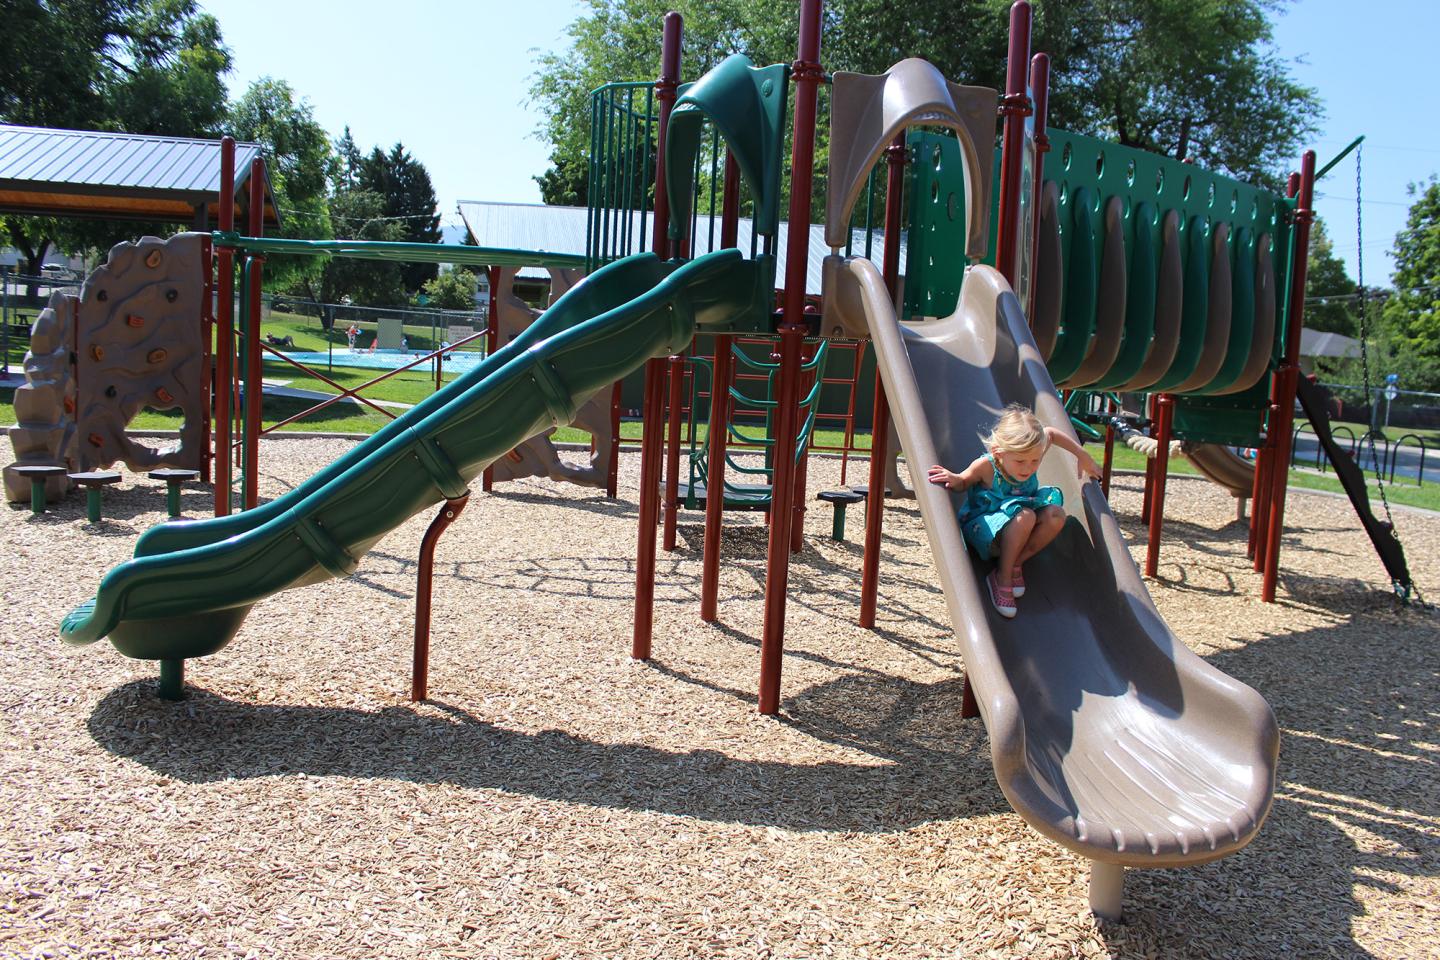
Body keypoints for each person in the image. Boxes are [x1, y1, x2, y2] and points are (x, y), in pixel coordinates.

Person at [926, 404, 1102, 618]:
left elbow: (1052, 434)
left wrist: (1082, 456)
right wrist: (954, 478)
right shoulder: (986, 466)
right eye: (1020, 461)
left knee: (1056, 515)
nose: (1028, 468)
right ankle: (1002, 577)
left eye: (1035, 461)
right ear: (998, 453)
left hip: (1020, 526)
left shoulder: (1031, 450)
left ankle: (1016, 562)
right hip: (986, 531)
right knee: (1026, 516)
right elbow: (963, 482)